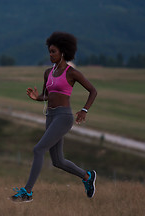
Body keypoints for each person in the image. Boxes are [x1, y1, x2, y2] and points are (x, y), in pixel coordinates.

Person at [11, 32, 98, 202]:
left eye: (53, 52)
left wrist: (84, 110)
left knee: (38, 149)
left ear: (63, 52)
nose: (50, 55)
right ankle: (87, 177)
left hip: (63, 117)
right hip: (50, 117)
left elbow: (93, 91)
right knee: (58, 161)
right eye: (49, 51)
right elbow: (47, 95)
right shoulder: (47, 73)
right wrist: (38, 98)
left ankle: (27, 192)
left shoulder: (72, 73)